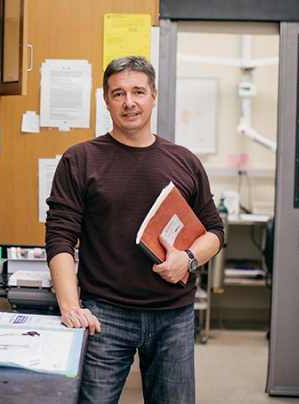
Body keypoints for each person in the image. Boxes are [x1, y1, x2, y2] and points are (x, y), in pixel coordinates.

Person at [45, 56, 224, 404]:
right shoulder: (80, 160)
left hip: (174, 315)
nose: (129, 102)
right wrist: (70, 307)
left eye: (138, 92)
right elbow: (60, 236)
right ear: (106, 99)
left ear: (153, 96)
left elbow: (214, 231)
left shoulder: (184, 161)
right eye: (119, 93)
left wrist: (187, 259)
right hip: (104, 315)